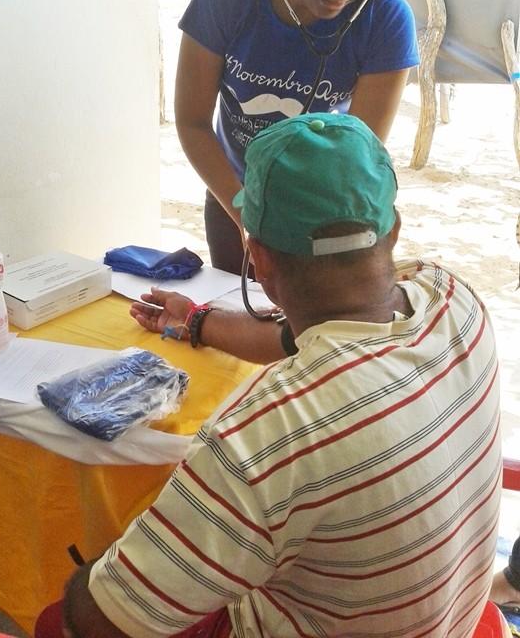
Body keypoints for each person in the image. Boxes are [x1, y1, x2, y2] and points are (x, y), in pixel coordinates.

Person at [46, 113, 500, 638]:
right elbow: (305, 335)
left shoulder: (268, 434)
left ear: (257, 259)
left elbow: (102, 622)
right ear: (393, 231)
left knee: (62, 616)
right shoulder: (452, 297)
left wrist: (106, 566)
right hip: (456, 620)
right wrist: (197, 322)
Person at [175, 0, 419, 274]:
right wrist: (246, 212)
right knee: (236, 317)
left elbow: (355, 154)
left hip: (324, 205)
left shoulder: (388, 20)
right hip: (233, 191)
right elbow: (193, 122)